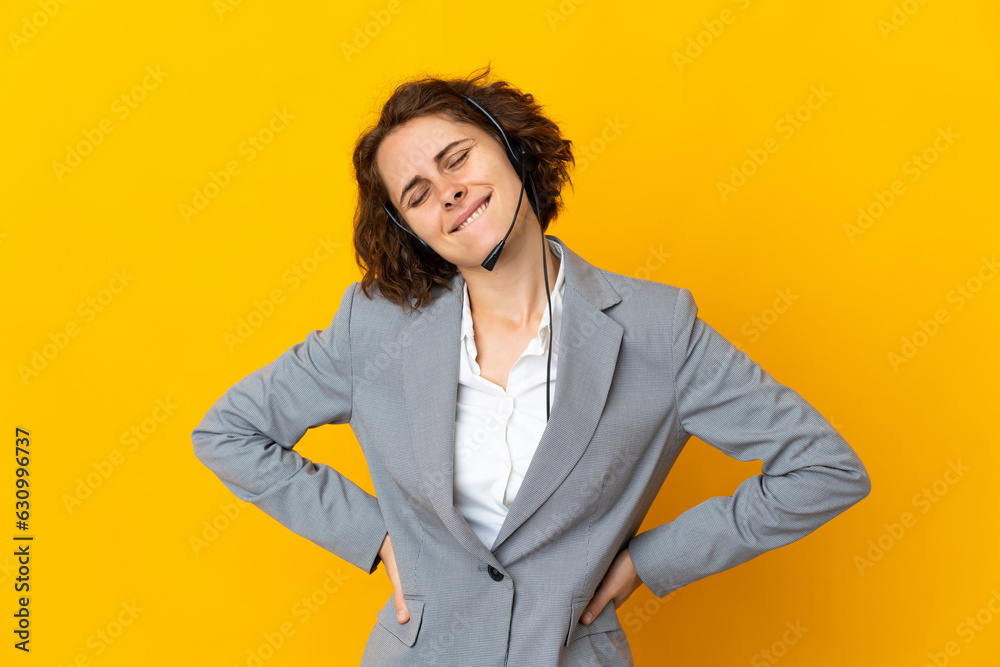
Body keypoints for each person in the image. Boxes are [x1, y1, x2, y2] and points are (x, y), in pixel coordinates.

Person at [191, 64, 872, 666]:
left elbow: (823, 470)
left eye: (457, 159)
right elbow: (228, 431)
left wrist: (648, 560)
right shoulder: (373, 325)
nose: (448, 192)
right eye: (418, 193)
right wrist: (374, 537)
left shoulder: (659, 329)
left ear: (514, 148)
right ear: (409, 228)